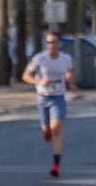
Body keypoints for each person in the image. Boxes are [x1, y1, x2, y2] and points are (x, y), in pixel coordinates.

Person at [21, 33, 77, 178]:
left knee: (56, 128)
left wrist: (71, 81)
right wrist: (38, 82)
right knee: (47, 130)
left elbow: (70, 71)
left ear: (59, 44)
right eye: (49, 42)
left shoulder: (65, 58)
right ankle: (47, 132)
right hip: (42, 98)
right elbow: (25, 76)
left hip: (58, 97)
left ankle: (56, 164)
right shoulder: (39, 58)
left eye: (54, 42)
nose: (51, 45)